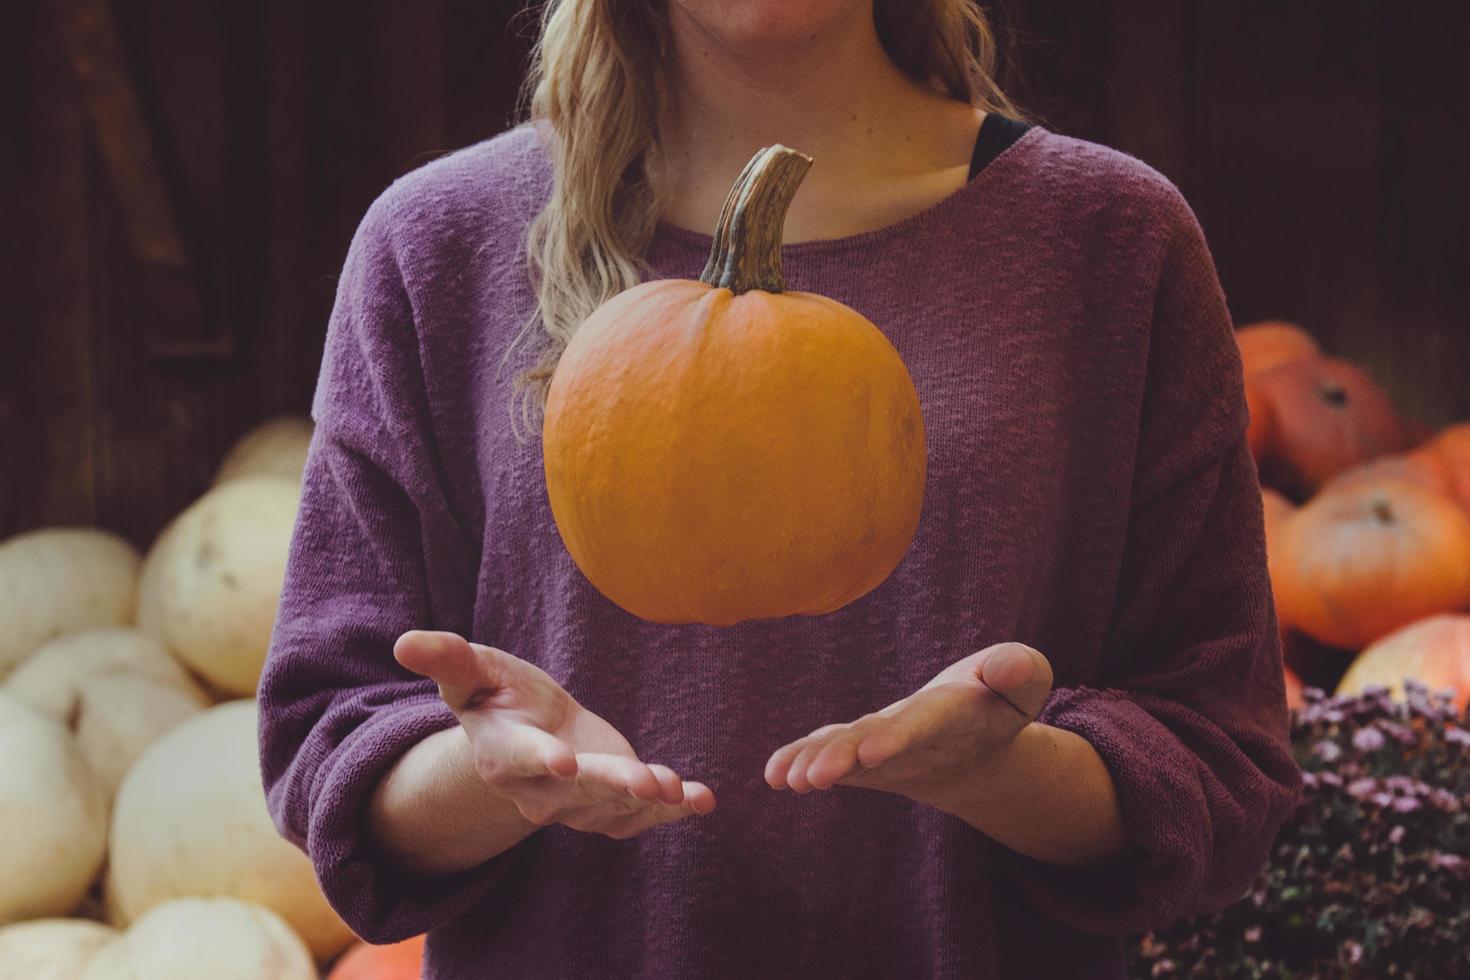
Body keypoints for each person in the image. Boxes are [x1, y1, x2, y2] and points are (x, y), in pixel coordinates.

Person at [258, 1, 1301, 977]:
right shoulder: (432, 245)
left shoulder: (1113, 240)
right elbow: (326, 736)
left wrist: (1011, 772)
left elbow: (1220, 756)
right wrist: (488, 773)